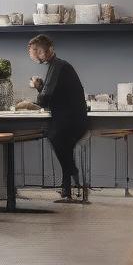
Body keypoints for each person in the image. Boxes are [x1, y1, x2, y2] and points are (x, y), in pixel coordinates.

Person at [28, 34, 87, 201]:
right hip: (71, 118)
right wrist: (41, 87)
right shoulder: (57, 65)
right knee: (63, 145)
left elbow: (45, 99)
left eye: (35, 51)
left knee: (54, 136)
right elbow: (50, 95)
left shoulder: (58, 66)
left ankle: (71, 173)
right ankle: (67, 188)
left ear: (46, 51)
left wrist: (37, 89)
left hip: (72, 120)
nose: (32, 54)